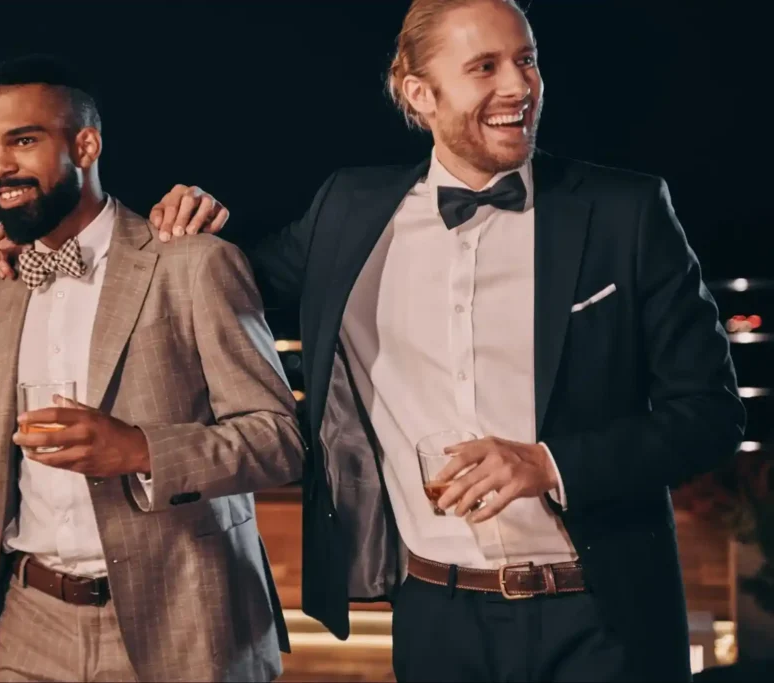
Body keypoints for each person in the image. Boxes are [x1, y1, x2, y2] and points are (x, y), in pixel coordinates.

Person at [141, 1, 745, 680]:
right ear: (419, 94)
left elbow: (712, 417)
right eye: (485, 67)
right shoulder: (346, 213)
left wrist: (549, 464)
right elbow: (215, 284)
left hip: (603, 616)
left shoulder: (625, 212)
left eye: (527, 59)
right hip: (434, 618)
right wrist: (44, 245)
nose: (519, 85)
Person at [0, 55, 304, 683]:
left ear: (86, 143)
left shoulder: (194, 262)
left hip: (180, 623)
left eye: (23, 141)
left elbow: (280, 440)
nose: (0, 166)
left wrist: (140, 450)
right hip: (27, 622)